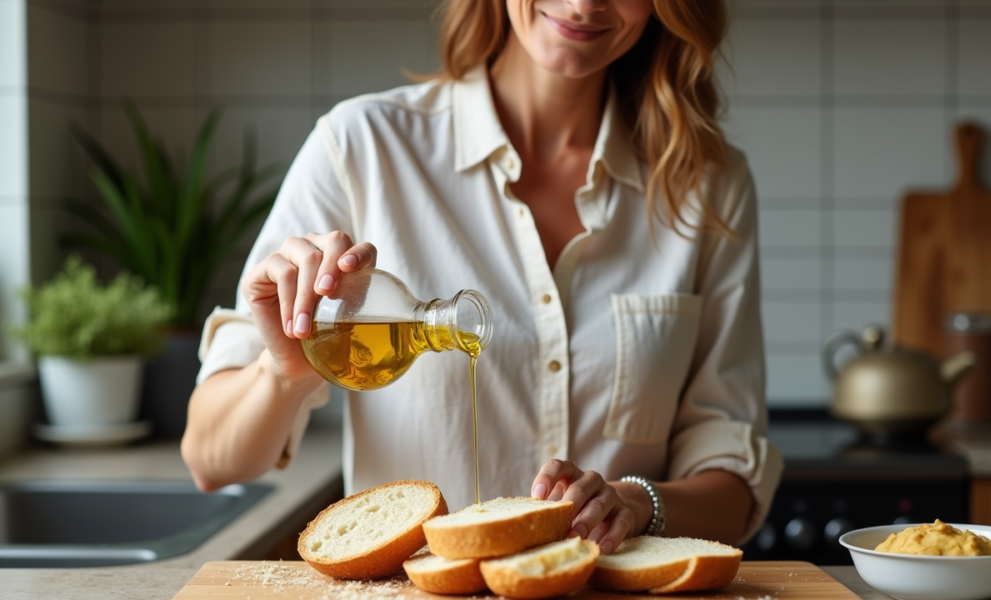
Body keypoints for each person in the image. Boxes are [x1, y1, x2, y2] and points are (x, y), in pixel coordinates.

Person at [181, 0, 783, 555]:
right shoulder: (361, 148)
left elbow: (731, 488)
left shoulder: (710, 186)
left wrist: (633, 503)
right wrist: (281, 373)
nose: (582, 5)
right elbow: (212, 460)